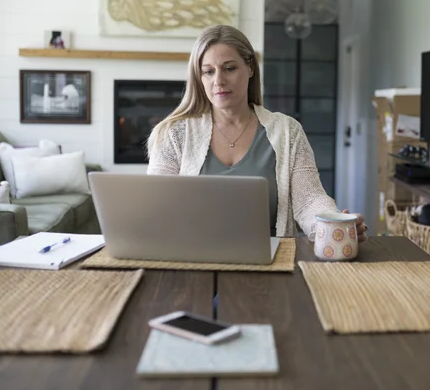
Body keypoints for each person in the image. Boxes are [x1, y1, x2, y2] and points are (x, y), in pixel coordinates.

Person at [146, 24, 367, 240]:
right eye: (208, 72)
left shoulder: (288, 132)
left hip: (270, 260)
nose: (218, 81)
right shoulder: (173, 134)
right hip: (193, 256)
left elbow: (309, 199)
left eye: (229, 68)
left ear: (250, 67)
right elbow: (156, 205)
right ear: (199, 77)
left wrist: (330, 224)